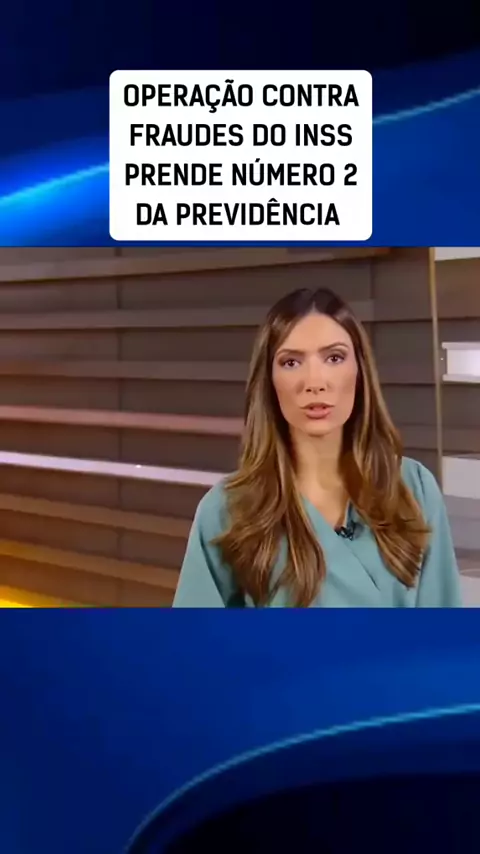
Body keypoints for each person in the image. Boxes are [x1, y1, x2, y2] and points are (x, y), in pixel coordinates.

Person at [173, 288, 462, 608]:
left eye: (334, 358)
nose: (315, 382)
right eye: (291, 362)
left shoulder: (414, 489)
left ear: (360, 371)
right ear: (269, 380)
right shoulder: (227, 510)